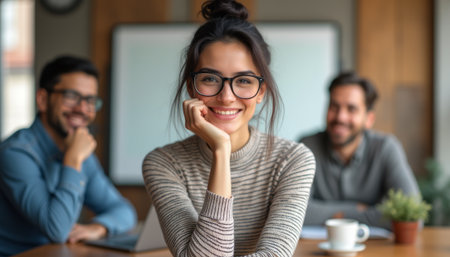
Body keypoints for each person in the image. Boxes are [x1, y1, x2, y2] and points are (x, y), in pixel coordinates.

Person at [142, 1, 315, 256]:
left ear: (261, 91)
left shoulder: (293, 161)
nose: (226, 97)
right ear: (191, 87)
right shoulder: (164, 164)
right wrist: (221, 152)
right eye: (210, 79)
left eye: (243, 81)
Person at [0, 55, 136, 256]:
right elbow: (57, 230)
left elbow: (124, 210)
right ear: (43, 100)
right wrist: (72, 160)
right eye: (72, 96)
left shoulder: (80, 152)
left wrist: (98, 228)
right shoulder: (15, 153)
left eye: (90, 100)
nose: (82, 109)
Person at [300, 72, 420, 229]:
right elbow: (291, 212)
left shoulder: (386, 148)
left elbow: (411, 215)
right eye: (334, 107)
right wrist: (354, 210)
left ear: (369, 119)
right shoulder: (306, 147)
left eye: (351, 109)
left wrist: (333, 215)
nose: (340, 117)